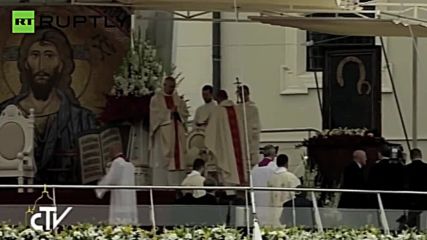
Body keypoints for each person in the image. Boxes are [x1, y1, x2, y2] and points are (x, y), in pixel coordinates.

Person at [0, 26, 97, 183]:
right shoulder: (3, 114)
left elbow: (92, 175)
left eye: (49, 56)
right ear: (25, 62)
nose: (41, 65)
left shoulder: (82, 119)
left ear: (61, 63)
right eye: (35, 55)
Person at [150, 76, 189, 186]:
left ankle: (177, 185)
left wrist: (178, 113)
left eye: (173, 87)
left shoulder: (178, 100)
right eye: (169, 86)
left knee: (178, 160)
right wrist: (169, 113)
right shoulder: (156, 99)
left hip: (177, 133)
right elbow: (155, 115)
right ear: (164, 85)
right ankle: (161, 186)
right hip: (163, 134)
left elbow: (185, 114)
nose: (171, 89)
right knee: (162, 160)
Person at [205, 90, 248, 186]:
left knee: (226, 167)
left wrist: (209, 148)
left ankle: (229, 194)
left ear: (219, 98)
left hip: (225, 148)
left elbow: (211, 133)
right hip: (238, 149)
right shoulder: (238, 110)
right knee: (236, 167)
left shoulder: (218, 111)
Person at [95, 144, 137, 225]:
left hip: (120, 198)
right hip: (129, 198)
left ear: (113, 151)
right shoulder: (130, 164)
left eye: (109, 151)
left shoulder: (117, 163)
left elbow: (111, 179)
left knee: (119, 221)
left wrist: (99, 188)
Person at [267, 154, 301, 225]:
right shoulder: (291, 177)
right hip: (287, 210)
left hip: (272, 209)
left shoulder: (271, 178)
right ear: (286, 163)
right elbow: (297, 192)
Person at [236, 85, 261, 167]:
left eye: (243, 94)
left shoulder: (253, 108)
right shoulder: (237, 108)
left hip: (250, 142)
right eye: (240, 95)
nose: (242, 96)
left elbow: (255, 127)